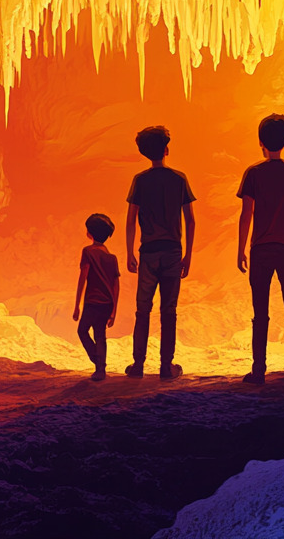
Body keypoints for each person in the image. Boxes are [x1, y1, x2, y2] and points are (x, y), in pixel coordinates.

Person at [236, 114, 284, 385]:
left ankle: (259, 371)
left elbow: (247, 214)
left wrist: (240, 248)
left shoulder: (253, 173)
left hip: (260, 249)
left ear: (260, 142)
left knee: (260, 312)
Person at [124, 126, 196, 379]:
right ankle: (167, 366)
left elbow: (131, 220)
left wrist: (129, 252)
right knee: (169, 310)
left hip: (148, 252)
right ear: (167, 150)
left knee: (142, 309)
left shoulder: (140, 180)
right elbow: (190, 221)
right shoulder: (179, 179)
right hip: (173, 251)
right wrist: (188, 254)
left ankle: (138, 365)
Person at [72, 213, 120, 381]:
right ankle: (101, 369)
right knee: (100, 334)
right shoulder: (112, 258)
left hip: (92, 301)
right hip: (107, 303)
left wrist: (77, 305)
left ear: (90, 232)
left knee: (82, 330)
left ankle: (98, 362)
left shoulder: (88, 251)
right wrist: (114, 310)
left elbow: (83, 277)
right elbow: (116, 285)